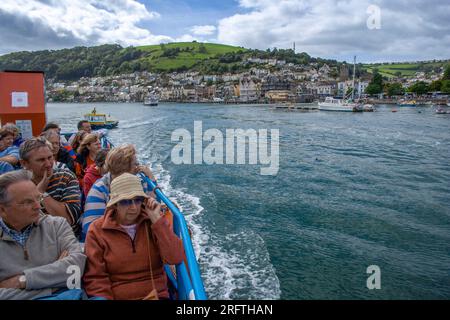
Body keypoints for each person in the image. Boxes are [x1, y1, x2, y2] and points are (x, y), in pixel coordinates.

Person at [83, 173, 184, 300]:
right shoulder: (97, 231)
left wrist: (158, 222)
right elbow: (96, 278)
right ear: (115, 204)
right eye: (126, 201)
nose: (134, 207)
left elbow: (175, 257)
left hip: (156, 295)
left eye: (137, 200)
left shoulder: (152, 223)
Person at [0, 170, 86, 300]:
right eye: (27, 202)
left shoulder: (57, 225)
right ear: (2, 210)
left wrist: (23, 280)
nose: (38, 206)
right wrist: (55, 281)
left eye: (38, 198)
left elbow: (75, 269)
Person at [81, 144, 155, 241]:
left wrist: (151, 178)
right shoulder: (99, 189)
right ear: (125, 170)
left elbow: (155, 206)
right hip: (110, 242)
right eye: (135, 164)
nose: (138, 168)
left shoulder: (141, 183)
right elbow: (89, 229)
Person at [19, 138, 82, 236]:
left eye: (50, 157)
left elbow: (68, 219)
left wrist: (41, 193)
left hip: (64, 237)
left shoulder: (65, 177)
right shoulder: (17, 185)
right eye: (41, 160)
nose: (48, 164)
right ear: (24, 163)